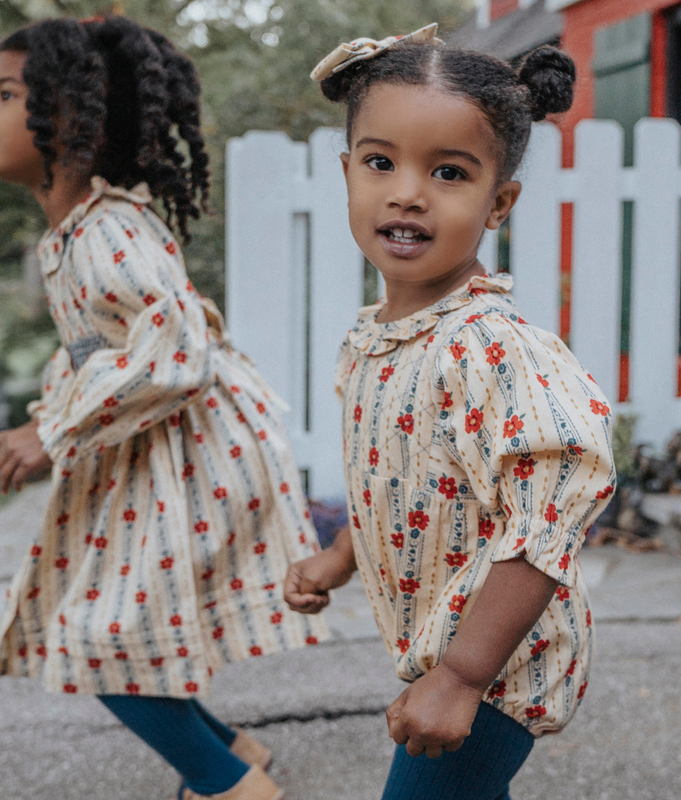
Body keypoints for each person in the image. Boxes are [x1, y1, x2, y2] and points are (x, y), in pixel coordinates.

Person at [284, 25, 616, 800]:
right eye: (380, 161)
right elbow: (397, 475)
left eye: (449, 171)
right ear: (347, 176)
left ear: (499, 202)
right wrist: (338, 559)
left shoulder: (490, 350)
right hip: (448, 647)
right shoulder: (381, 338)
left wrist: (462, 676)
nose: (407, 190)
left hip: (502, 660)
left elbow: (549, 509)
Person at [0, 15, 325, 800]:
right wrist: (47, 419)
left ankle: (230, 788)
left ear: (71, 119)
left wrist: (51, 430)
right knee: (123, 625)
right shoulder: (76, 232)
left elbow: (178, 349)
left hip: (192, 454)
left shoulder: (106, 230)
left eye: (5, 94)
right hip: (159, 449)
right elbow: (98, 348)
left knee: (100, 636)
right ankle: (234, 750)